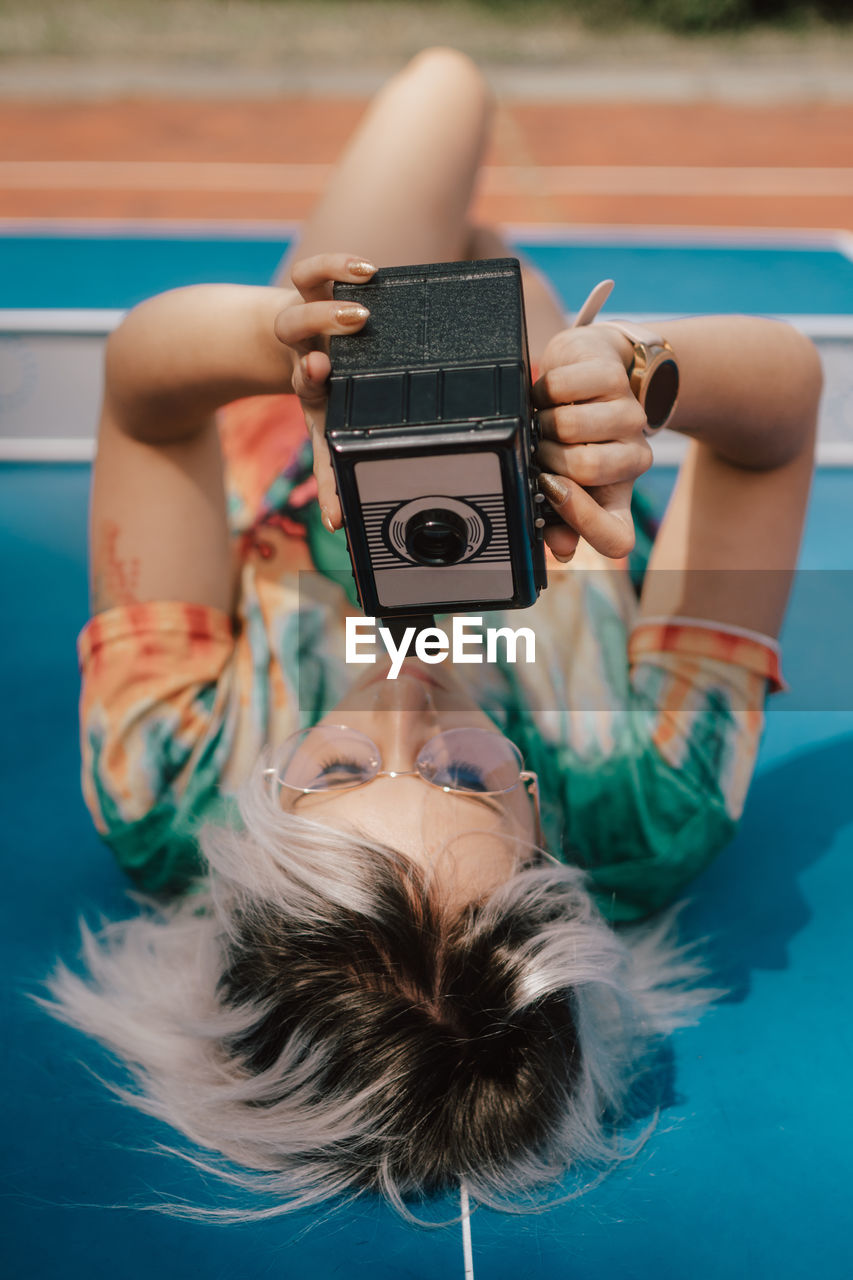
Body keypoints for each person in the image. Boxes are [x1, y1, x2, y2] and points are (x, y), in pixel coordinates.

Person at [39, 48, 822, 1222]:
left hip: (295, 430)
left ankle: (430, 276)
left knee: (442, 97)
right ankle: (497, 288)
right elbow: (780, 420)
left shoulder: (165, 780)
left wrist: (278, 344)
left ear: (256, 812)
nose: (407, 694)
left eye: (340, 766)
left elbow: (144, 405)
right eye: (466, 774)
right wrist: (640, 378)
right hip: (579, 469)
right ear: (543, 830)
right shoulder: (650, 795)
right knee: (512, 290)